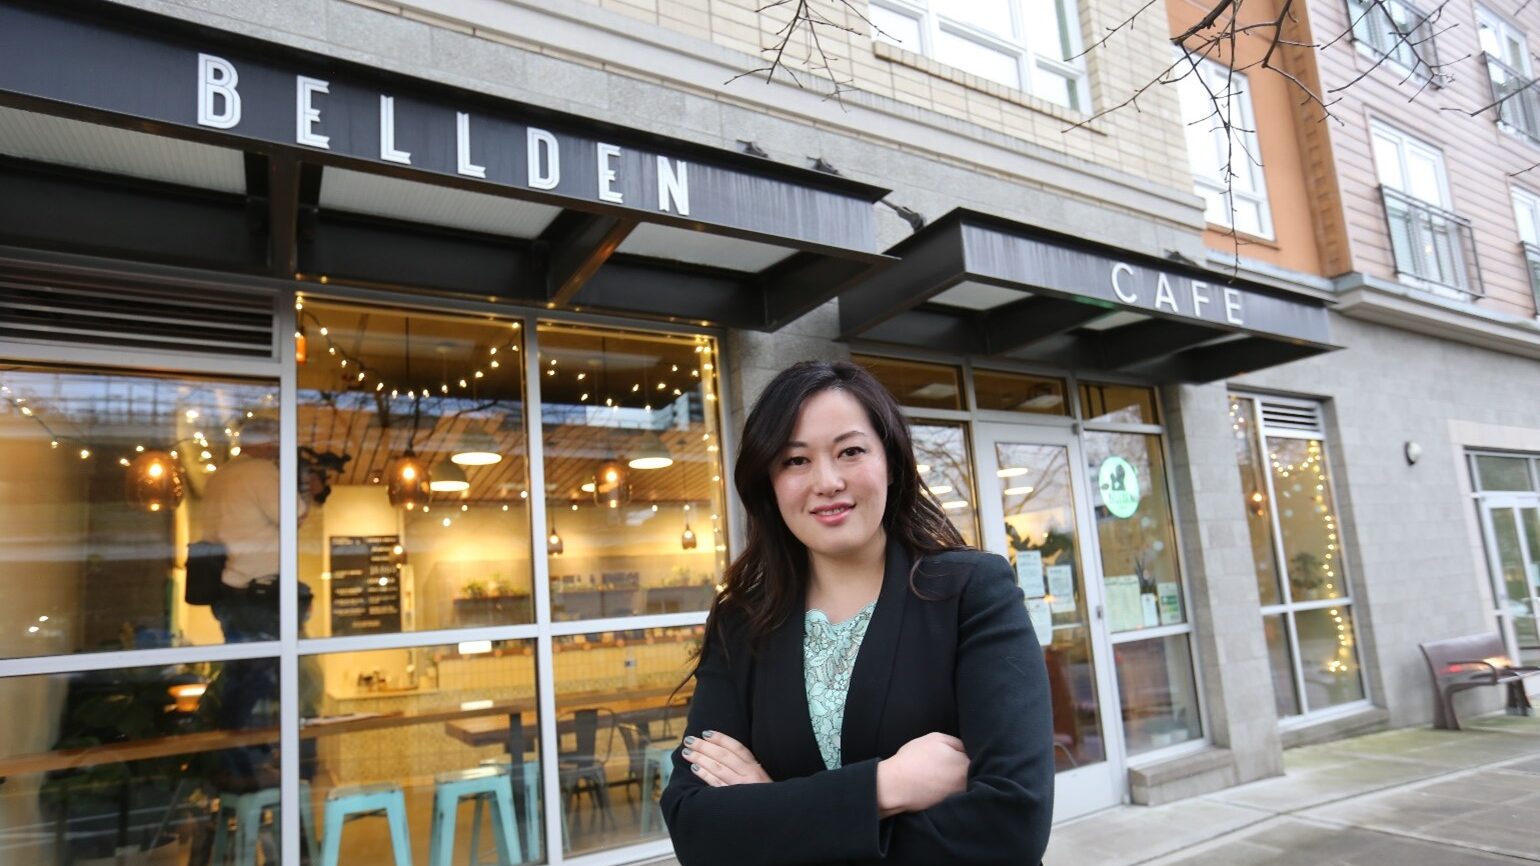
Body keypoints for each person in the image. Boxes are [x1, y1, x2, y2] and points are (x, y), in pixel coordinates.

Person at [660, 361, 1054, 865]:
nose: (827, 482)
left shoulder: (971, 592)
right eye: (795, 461)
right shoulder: (742, 624)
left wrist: (772, 808)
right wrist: (883, 787)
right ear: (770, 483)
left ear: (890, 461)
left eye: (850, 451)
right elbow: (697, 829)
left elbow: (1012, 824)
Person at [202, 412, 308, 642]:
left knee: (241, 664)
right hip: (258, 592)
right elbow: (295, 516)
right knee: (273, 668)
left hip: (226, 590)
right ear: (269, 442)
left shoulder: (218, 476)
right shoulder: (260, 471)